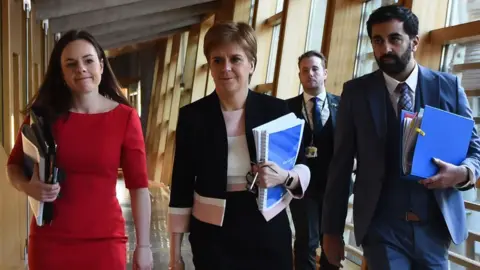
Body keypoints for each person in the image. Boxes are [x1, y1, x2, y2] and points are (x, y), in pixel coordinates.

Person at [321, 5, 480, 270]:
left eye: (394, 39)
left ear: (414, 42)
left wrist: (463, 173)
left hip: (435, 227)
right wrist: (331, 230)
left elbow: (475, 151)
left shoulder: (448, 87)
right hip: (381, 228)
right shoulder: (356, 93)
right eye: (377, 41)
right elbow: (340, 167)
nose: (385, 49)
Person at [167, 21, 311, 270]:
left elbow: (303, 164)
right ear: (210, 67)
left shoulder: (276, 110)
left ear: (251, 64)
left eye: (236, 59)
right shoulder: (192, 116)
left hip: (267, 226)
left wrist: (285, 177)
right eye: (217, 60)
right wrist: (175, 254)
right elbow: (181, 184)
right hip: (213, 234)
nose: (227, 68)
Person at [6, 30, 153, 270]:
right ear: (62, 73)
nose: (81, 69)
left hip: (106, 242)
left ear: (101, 66)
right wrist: (27, 186)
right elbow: (12, 166)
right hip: (50, 243)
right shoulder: (43, 116)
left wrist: (144, 246)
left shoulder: (125, 118)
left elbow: (138, 187)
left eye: (88, 60)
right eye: (71, 64)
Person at [286, 51, 352, 270]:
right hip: (301, 186)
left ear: (324, 73)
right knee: (306, 239)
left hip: (335, 186)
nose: (310, 74)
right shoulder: (287, 108)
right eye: (304, 70)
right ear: (300, 75)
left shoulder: (343, 106)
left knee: (331, 240)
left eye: (315, 69)